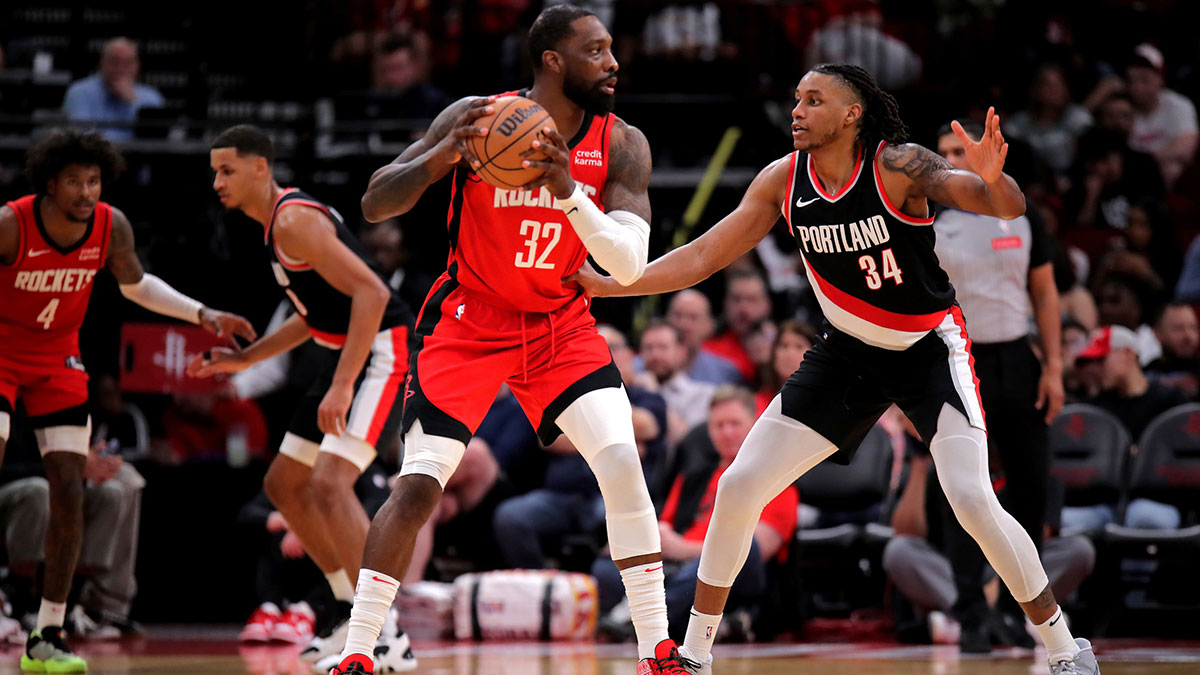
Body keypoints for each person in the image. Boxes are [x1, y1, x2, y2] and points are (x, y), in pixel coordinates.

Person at [570, 64, 1100, 675]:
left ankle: (1064, 648)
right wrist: (612, 286)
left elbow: (1002, 205)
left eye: (813, 100)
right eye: (795, 98)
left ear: (852, 114)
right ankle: (693, 655)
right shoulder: (781, 181)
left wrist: (993, 176)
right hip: (845, 354)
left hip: (927, 350)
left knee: (971, 499)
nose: (796, 110)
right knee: (739, 487)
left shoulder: (899, 166)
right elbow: (702, 256)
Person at [334, 6, 690, 674]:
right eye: (596, 50)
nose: (613, 63)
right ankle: (360, 649)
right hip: (468, 322)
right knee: (416, 485)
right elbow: (375, 203)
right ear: (552, 60)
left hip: (559, 324)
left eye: (612, 49)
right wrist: (441, 157)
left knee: (620, 460)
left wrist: (566, 192)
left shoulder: (622, 144)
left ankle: (656, 647)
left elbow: (628, 265)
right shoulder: (477, 117)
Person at [0, 127, 254, 671]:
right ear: (49, 183)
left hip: (56, 360)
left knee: (70, 487)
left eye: (93, 181)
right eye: (74, 181)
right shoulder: (9, 224)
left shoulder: (110, 226)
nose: (86, 192)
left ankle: (47, 632)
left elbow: (137, 285)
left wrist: (202, 314)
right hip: (1, 354)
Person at [187, 125, 418, 673]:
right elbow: (314, 315)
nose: (217, 180)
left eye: (228, 170)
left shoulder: (293, 220)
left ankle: (386, 632)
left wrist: (342, 383)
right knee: (283, 485)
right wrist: (247, 358)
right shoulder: (275, 226)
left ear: (261, 168)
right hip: (345, 352)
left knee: (331, 484)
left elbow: (373, 293)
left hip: (380, 351)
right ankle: (348, 611)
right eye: (214, 171)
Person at [932, 119, 1065, 651]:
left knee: (1031, 487)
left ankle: (1021, 612)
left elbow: (1047, 295)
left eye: (957, 149)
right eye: (939, 153)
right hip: (958, 358)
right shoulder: (926, 220)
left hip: (1018, 357)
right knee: (964, 490)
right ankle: (970, 615)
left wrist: (1054, 366)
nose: (948, 160)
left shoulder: (1022, 214)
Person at [592, 386, 795, 641]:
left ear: (754, 426)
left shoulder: (777, 481)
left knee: (723, 558)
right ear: (708, 430)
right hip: (677, 568)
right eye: (719, 425)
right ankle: (657, 615)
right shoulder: (693, 476)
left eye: (735, 423)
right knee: (607, 565)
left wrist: (682, 549)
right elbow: (664, 530)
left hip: (735, 576)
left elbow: (755, 551)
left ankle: (636, 617)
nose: (727, 432)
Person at [1124, 43, 1198, 190]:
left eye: (1144, 79)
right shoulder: (1122, 109)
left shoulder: (1179, 105)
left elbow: (1186, 147)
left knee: (1171, 168)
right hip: (1133, 177)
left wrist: (1147, 162)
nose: (1137, 87)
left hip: (1164, 175)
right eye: (1131, 80)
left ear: (1160, 79)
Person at [62, 37, 164, 142]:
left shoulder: (151, 97)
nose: (120, 69)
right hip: (94, 155)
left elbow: (154, 140)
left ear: (137, 66)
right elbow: (82, 135)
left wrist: (133, 102)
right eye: (114, 62)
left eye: (127, 63)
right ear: (101, 63)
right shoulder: (79, 92)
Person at [663, 290, 742, 385]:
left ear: (709, 326)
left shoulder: (725, 374)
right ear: (667, 319)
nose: (683, 325)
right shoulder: (642, 369)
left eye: (693, 318)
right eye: (678, 316)